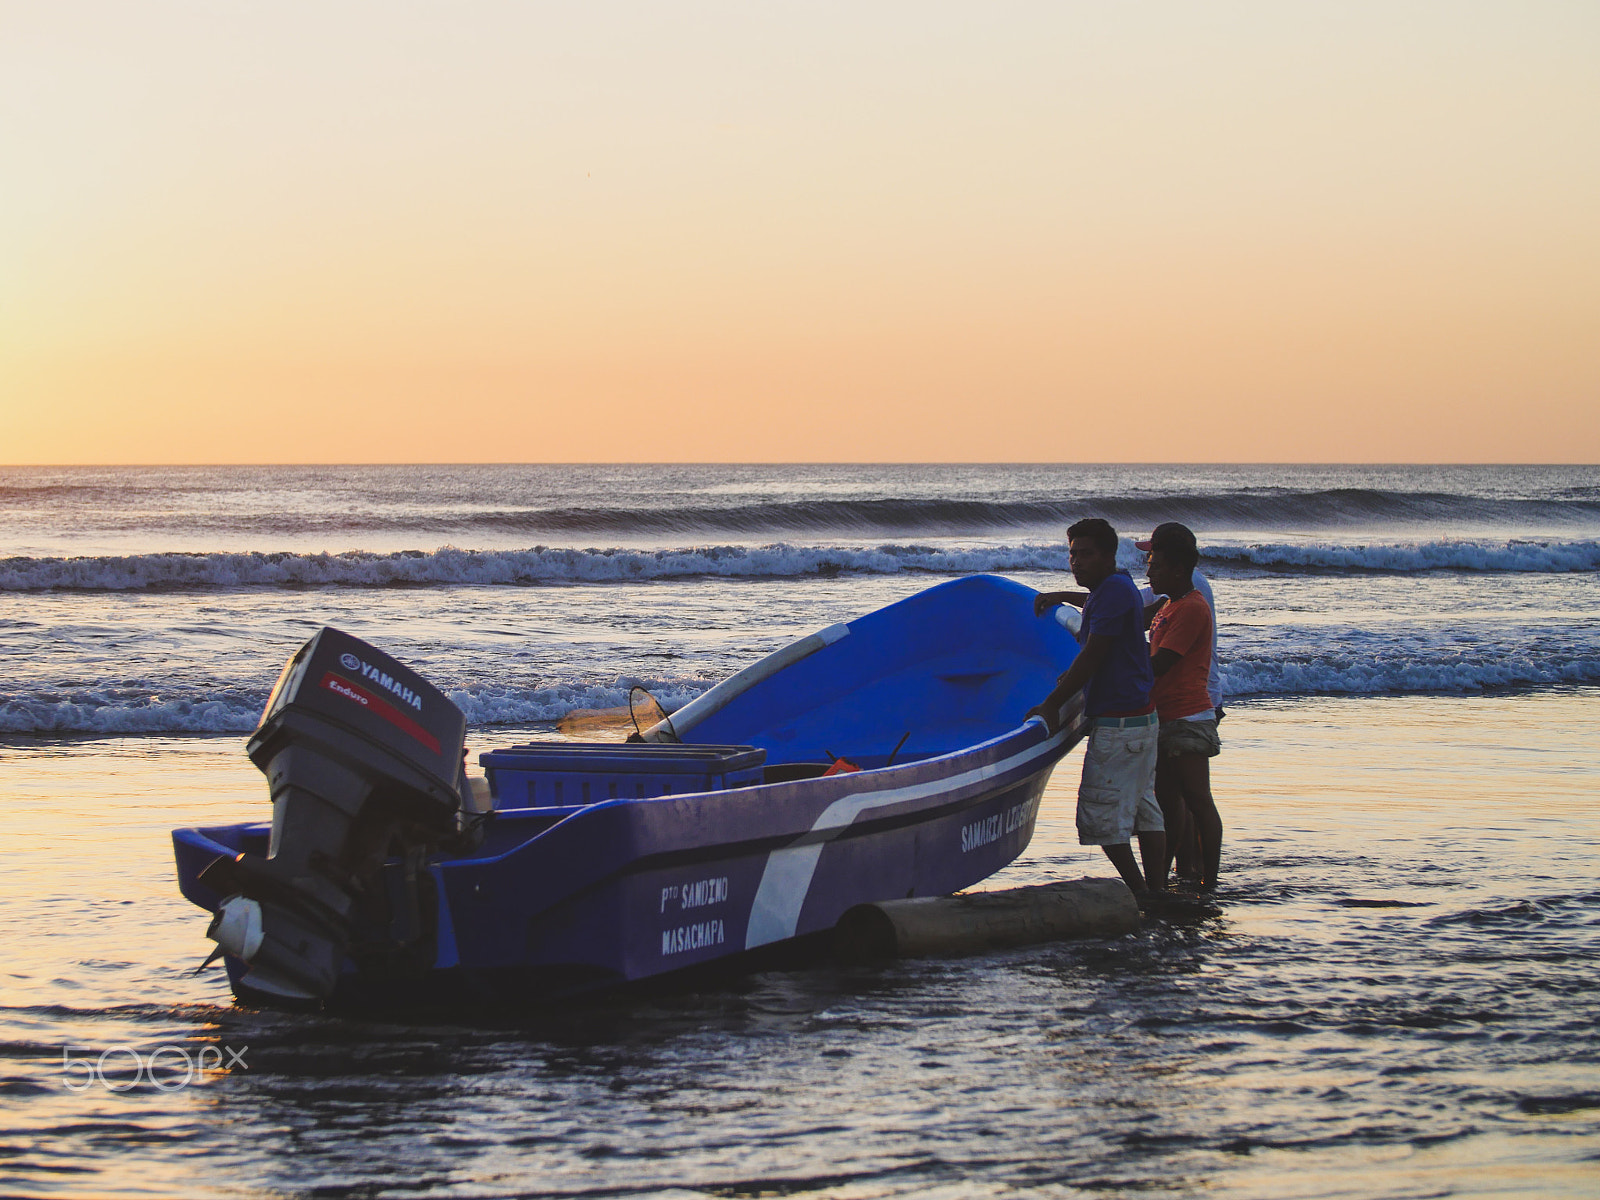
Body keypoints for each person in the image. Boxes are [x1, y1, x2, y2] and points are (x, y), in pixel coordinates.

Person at [1027, 518, 1167, 907]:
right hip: (1141, 720)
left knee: (1100, 818)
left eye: (1086, 554)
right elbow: (1099, 611)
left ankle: (1140, 893)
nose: (1077, 562)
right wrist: (1063, 595)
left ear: (1109, 556)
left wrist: (1052, 703)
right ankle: (1156, 891)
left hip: (1120, 725)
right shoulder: (1115, 588)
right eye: (1073, 554)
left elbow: (1093, 655)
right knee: (1144, 811)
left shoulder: (1112, 592)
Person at [1143, 522, 1224, 890]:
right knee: (1167, 800)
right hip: (1168, 715)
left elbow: (1161, 663)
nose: (1148, 571)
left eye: (1154, 565)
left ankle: (1209, 880)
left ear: (1177, 570)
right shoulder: (1169, 606)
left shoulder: (1191, 608)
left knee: (1197, 799)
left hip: (1189, 717)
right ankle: (1167, 875)